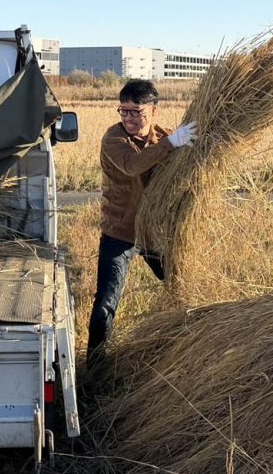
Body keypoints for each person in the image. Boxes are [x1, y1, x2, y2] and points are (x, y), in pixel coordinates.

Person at [87, 79, 197, 363]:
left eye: (136, 112)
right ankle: (95, 365)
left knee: (180, 285)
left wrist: (194, 147)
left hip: (152, 234)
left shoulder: (164, 136)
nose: (128, 118)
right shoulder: (114, 139)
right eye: (123, 111)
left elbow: (181, 167)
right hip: (120, 232)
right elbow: (133, 165)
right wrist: (171, 143)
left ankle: (188, 345)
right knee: (106, 303)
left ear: (153, 111)